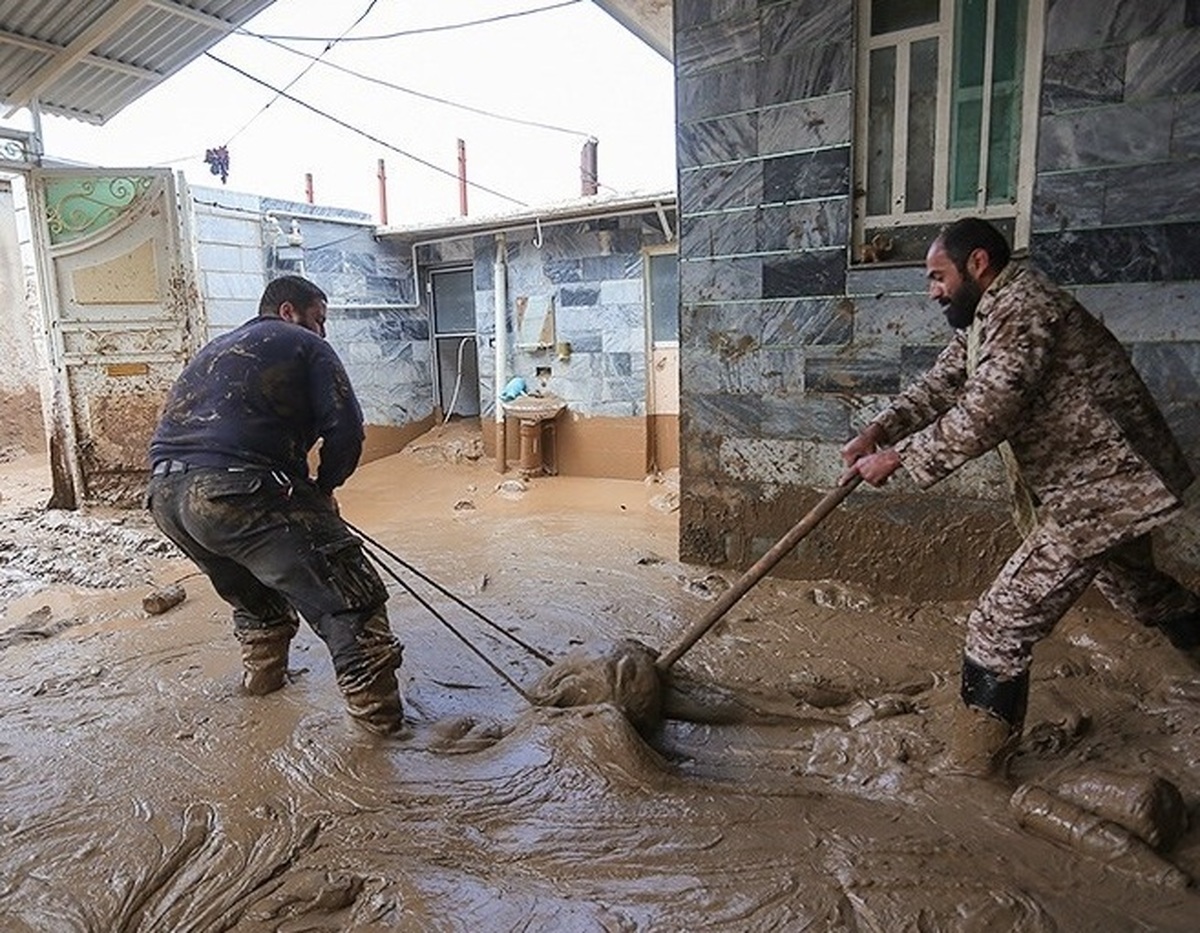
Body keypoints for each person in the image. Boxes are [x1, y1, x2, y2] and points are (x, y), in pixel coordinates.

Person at [840, 217, 1199, 777]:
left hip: (1098, 489)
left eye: (938, 277)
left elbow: (989, 409)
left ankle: (977, 767)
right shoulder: (987, 317)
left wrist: (901, 457)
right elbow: (946, 383)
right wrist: (879, 429)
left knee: (998, 622)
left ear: (977, 264)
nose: (933, 292)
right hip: (1097, 485)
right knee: (1144, 596)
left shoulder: (1023, 306)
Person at [146, 274, 406, 735]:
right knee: (350, 598)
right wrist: (326, 488)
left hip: (168, 499)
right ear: (290, 311)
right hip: (236, 488)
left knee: (256, 598)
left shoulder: (214, 349)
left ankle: (262, 687)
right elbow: (346, 429)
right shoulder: (303, 344)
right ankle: (385, 733)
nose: (322, 332)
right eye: (318, 320)